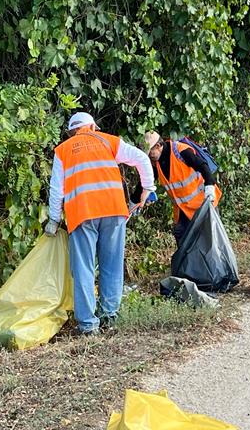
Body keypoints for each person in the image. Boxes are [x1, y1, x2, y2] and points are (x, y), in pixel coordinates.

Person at [44, 112, 155, 335]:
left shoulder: (63, 150)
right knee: (112, 264)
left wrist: (54, 219)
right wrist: (148, 188)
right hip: (114, 210)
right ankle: (110, 316)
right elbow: (143, 159)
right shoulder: (107, 140)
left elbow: (57, 190)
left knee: (84, 268)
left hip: (82, 213)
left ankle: (88, 326)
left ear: (71, 131)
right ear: (93, 126)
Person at [144, 131, 221, 246]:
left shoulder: (181, 151)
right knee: (182, 241)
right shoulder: (157, 163)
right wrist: (138, 199)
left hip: (203, 204)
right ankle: (187, 264)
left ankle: (212, 264)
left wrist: (209, 186)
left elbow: (203, 166)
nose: (149, 155)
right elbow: (146, 182)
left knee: (210, 243)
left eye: (150, 151)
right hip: (182, 211)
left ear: (158, 146)